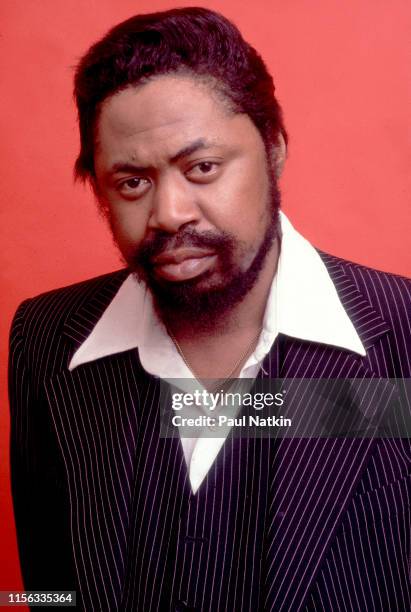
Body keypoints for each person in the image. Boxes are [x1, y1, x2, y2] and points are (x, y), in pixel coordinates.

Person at [8, 7, 411, 611]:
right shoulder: (45, 340)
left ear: (274, 151)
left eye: (202, 167)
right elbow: (49, 586)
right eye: (132, 182)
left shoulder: (402, 335)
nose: (170, 212)